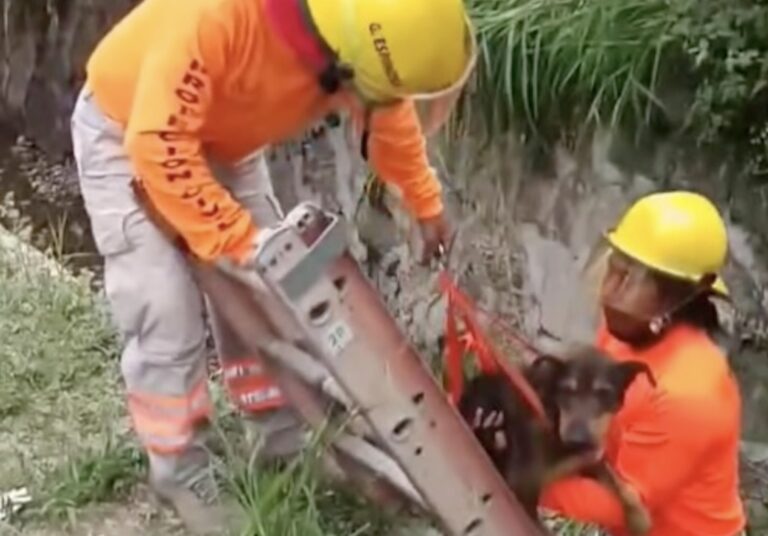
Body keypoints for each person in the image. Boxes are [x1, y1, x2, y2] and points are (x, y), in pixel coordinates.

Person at [70, 0, 477, 533]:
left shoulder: (351, 37)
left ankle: (282, 440)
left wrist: (425, 203)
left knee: (279, 298)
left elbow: (387, 113)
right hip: (128, 133)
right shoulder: (220, 19)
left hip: (227, 143)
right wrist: (238, 240)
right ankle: (180, 468)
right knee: (164, 307)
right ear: (338, 61)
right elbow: (158, 141)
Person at [539, 190, 746, 535]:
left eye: (627, 280)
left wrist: (521, 478)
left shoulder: (690, 394)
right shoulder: (625, 334)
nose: (608, 292)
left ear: (676, 296)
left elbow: (625, 507)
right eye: (612, 270)